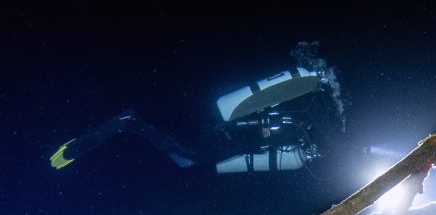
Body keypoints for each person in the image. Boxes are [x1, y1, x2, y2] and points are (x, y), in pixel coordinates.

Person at [50, 42, 344, 174]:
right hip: (202, 147)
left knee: (155, 134)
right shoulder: (265, 135)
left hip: (203, 146)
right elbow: (246, 135)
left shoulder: (271, 137)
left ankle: (107, 134)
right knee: (149, 129)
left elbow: (247, 136)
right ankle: (110, 131)